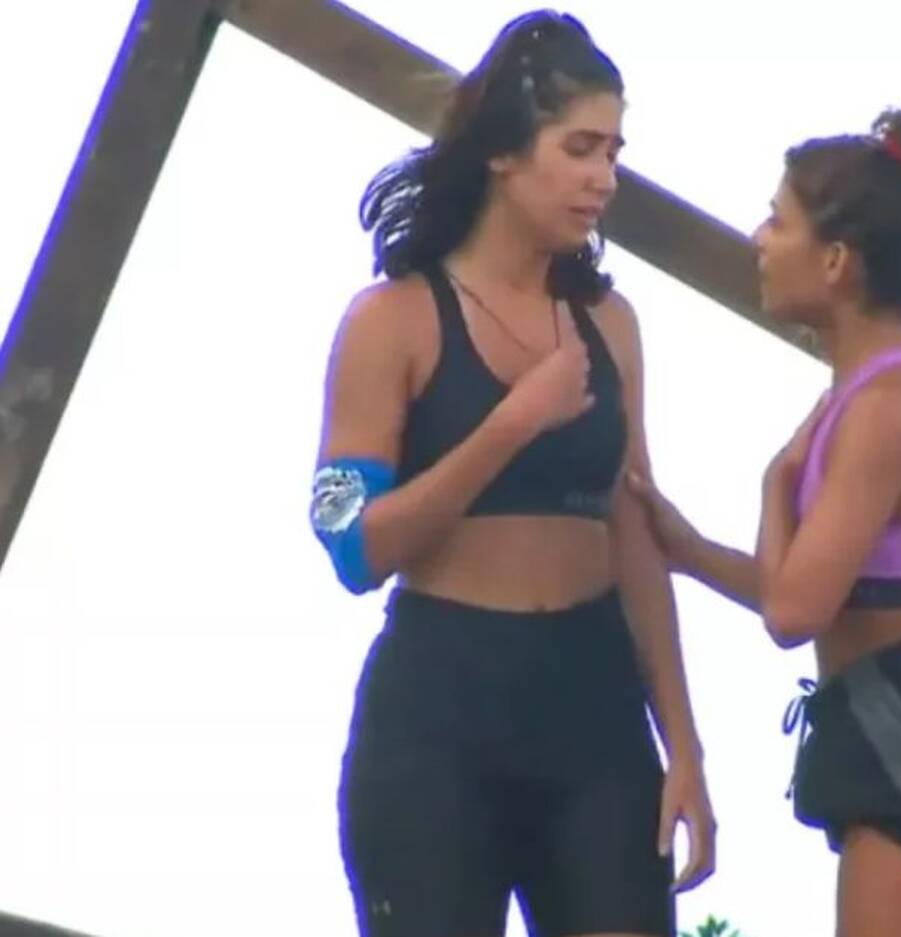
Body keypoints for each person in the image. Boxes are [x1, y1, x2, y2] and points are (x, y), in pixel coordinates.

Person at [309, 11, 715, 937]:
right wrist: (513, 422)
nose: (603, 177)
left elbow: (635, 533)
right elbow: (353, 547)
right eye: (579, 149)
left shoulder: (611, 323)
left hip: (592, 698)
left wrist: (685, 746)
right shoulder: (392, 319)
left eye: (613, 152)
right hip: (439, 709)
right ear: (501, 152)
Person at [627, 101, 901, 936]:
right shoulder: (863, 391)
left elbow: (793, 612)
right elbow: (822, 584)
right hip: (894, 748)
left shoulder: (890, 410)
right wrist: (689, 550)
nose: (758, 239)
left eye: (778, 221)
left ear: (837, 261)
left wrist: (772, 486)